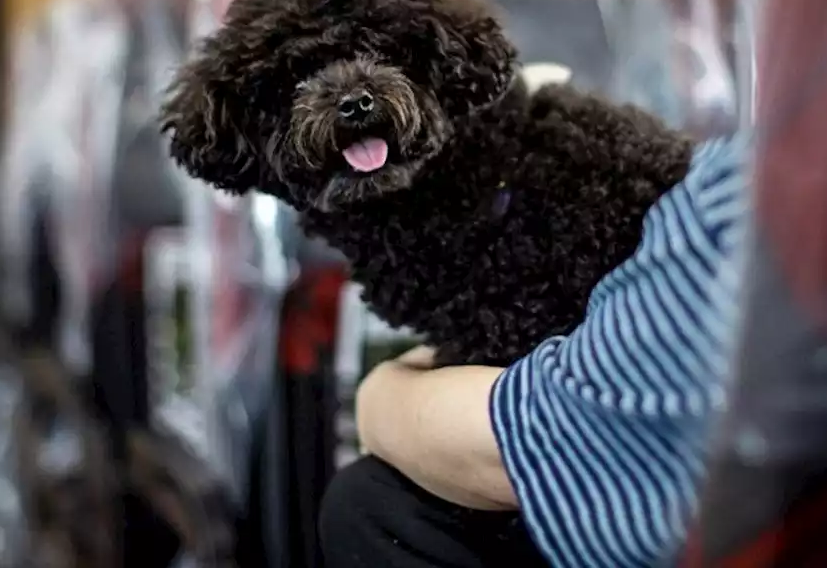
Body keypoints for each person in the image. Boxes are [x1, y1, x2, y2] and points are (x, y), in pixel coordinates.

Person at [318, 133, 751, 568]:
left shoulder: (749, 198)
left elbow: (552, 442)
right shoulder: (755, 179)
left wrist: (378, 400)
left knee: (371, 504)